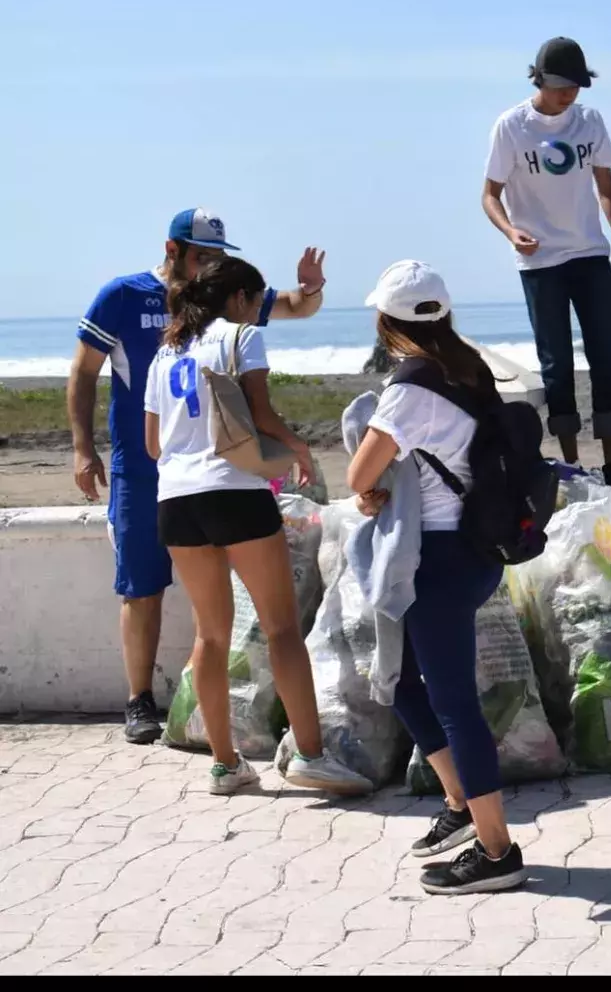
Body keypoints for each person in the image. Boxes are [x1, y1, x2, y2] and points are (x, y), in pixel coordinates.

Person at [69, 208, 326, 745]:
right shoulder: (124, 295)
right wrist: (81, 448)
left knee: (211, 630)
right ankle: (141, 701)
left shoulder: (202, 324)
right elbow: (83, 372)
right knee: (145, 588)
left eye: (217, 257)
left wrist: (311, 290)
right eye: (201, 254)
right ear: (172, 248)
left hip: (177, 480)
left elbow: (294, 307)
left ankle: (222, 759)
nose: (211, 264)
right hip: (157, 480)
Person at [141, 257, 367, 796]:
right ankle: (311, 755)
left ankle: (225, 765)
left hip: (175, 499)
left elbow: (153, 445)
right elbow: (260, 413)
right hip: (235, 491)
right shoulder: (240, 335)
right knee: (281, 628)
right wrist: (298, 447)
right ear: (241, 297)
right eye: (257, 300)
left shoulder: (165, 352)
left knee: (211, 635)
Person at [345, 260, 527, 894]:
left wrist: (370, 493)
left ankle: (498, 851)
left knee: (454, 707)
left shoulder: (410, 388)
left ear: (388, 322)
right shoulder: (470, 370)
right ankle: (459, 805)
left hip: (438, 561)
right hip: (473, 555)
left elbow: (359, 474)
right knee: (402, 684)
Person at [482, 36, 611, 497]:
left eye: (575, 86)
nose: (568, 95)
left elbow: (607, 188)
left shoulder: (589, 122)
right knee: (556, 364)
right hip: (539, 262)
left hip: (589, 253)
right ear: (540, 80)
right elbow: (489, 195)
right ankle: (573, 466)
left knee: (608, 359)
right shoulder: (511, 126)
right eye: (559, 87)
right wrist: (511, 231)